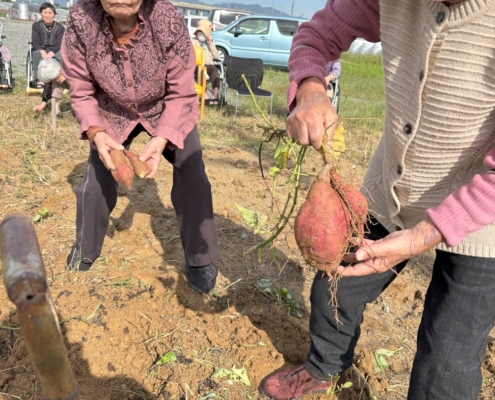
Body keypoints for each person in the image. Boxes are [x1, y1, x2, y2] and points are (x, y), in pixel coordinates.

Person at [260, 1, 495, 399]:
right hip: (393, 189)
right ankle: (323, 368)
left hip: (483, 215)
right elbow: (315, 36)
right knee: (334, 284)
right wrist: (311, 89)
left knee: (446, 362)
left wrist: (423, 236)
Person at [61, 0, 220, 294]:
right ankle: (85, 247)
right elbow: (80, 88)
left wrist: (161, 139)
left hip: (165, 106)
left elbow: (182, 91)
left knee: (192, 172)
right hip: (112, 110)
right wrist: (96, 132)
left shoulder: (167, 18)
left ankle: (201, 257)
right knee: (95, 178)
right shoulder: (80, 17)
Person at [31, 2, 65, 87]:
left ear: (54, 14)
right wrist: (42, 51)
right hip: (41, 49)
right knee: (36, 54)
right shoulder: (36, 26)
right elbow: (35, 41)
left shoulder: (61, 28)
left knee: (61, 54)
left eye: (50, 13)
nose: (47, 15)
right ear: (41, 13)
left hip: (55, 50)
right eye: (45, 12)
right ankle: (39, 79)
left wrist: (52, 52)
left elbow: (60, 43)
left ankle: (57, 77)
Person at [191, 19, 221, 105]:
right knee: (201, 74)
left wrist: (210, 43)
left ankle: (215, 97)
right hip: (197, 64)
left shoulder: (210, 42)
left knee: (215, 73)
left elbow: (216, 56)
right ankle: (204, 97)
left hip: (209, 63)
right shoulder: (192, 41)